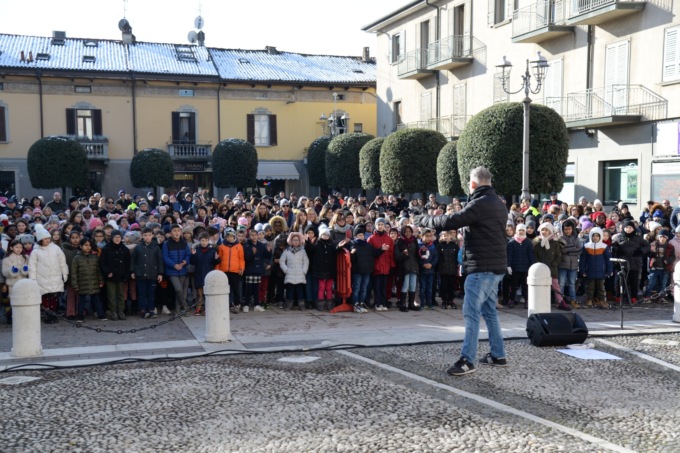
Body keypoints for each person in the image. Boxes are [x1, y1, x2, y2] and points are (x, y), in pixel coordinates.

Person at [416, 166, 509, 376]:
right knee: (489, 311)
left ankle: (467, 360)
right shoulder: (498, 203)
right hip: (496, 266)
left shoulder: (479, 203)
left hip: (481, 267)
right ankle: (498, 354)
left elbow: (451, 221)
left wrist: (424, 220)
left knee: (471, 313)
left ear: (473, 184)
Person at [29, 226, 69, 324]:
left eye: (48, 238)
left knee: (54, 297)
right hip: (42, 278)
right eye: (45, 238)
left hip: (55, 277)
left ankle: (53, 314)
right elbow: (32, 266)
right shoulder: (35, 251)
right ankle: (48, 315)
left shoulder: (56, 248)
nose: (47, 240)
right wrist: (33, 279)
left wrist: (64, 273)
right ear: (40, 239)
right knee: (45, 297)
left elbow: (62, 262)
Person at [131, 227, 164, 319]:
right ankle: (142, 309)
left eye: (149, 235)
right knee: (142, 293)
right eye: (145, 235)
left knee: (151, 293)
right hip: (140, 274)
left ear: (152, 236)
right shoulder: (138, 247)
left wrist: (160, 273)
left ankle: (151, 310)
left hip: (152, 274)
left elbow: (160, 261)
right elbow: (133, 260)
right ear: (142, 236)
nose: (147, 237)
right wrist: (132, 271)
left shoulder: (156, 247)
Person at [70, 238, 106, 322]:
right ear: (81, 246)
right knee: (82, 300)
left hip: (94, 282)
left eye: (89, 245)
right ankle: (80, 316)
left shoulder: (94, 257)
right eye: (86, 245)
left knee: (97, 299)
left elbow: (98, 270)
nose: (88, 247)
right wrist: (75, 284)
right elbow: (74, 272)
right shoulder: (77, 258)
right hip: (82, 283)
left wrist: (101, 280)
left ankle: (101, 315)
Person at [99, 230, 131, 320]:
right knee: (111, 295)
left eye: (119, 237)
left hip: (121, 275)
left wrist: (126, 274)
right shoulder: (106, 249)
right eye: (115, 237)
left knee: (121, 294)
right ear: (112, 238)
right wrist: (107, 272)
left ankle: (121, 311)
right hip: (110, 276)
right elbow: (102, 262)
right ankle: (113, 311)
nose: (117, 239)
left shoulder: (124, 249)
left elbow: (127, 263)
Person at [579, 227, 612, 309]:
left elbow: (608, 260)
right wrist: (582, 270)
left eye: (597, 236)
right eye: (593, 236)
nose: (595, 237)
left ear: (600, 236)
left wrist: (609, 271)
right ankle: (589, 300)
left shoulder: (604, 246)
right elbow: (583, 260)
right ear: (591, 236)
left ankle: (602, 301)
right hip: (589, 271)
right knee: (590, 287)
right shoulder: (586, 246)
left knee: (601, 288)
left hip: (601, 271)